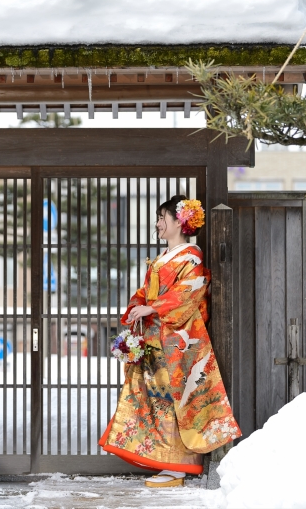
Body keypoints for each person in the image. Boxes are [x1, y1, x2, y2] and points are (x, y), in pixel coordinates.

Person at [99, 195, 241, 488]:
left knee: (176, 400)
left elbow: (189, 292)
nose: (158, 224)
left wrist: (152, 307)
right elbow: (146, 291)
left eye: (162, 218)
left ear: (180, 222)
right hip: (155, 337)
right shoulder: (167, 255)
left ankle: (179, 467)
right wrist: (139, 304)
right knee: (158, 402)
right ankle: (167, 460)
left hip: (176, 340)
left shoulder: (192, 257)